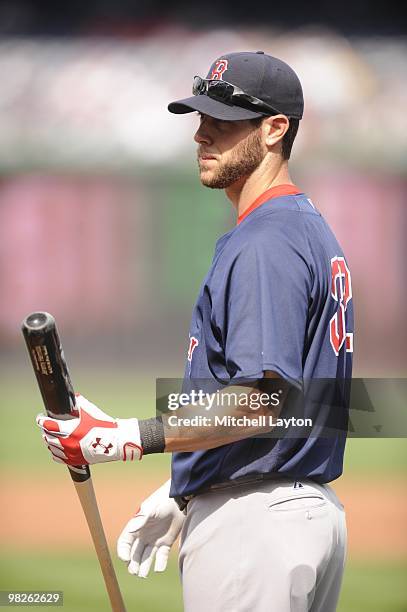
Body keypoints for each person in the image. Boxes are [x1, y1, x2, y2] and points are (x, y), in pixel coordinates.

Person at [37, 51, 354, 612]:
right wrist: (188, 486)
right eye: (199, 118)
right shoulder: (304, 229)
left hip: (256, 527)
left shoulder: (266, 241)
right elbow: (316, 405)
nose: (201, 135)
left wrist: (129, 436)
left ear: (275, 129)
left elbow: (259, 401)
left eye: (222, 121)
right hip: (289, 514)